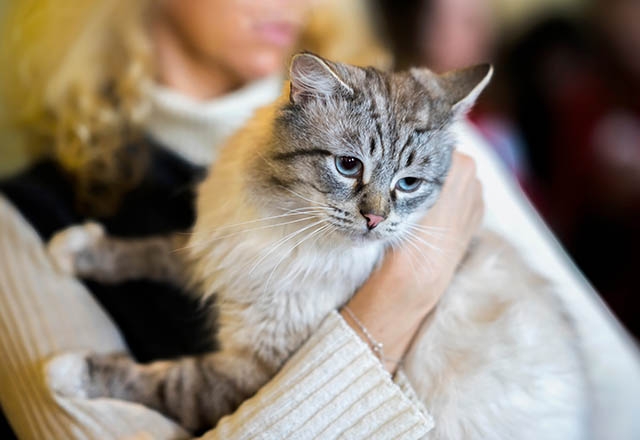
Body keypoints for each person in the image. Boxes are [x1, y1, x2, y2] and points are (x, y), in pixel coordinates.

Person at [0, 1, 482, 438]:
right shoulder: (20, 217)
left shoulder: (429, 130)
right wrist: (403, 297)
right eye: (349, 166)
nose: (294, 5)